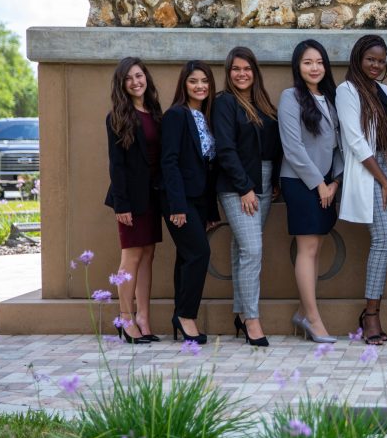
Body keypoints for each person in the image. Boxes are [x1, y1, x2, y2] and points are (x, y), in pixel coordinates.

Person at [336, 34, 387, 345]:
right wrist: (383, 180)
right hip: (371, 169)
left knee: (385, 239)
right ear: (358, 59)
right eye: (371, 59)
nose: (376, 65)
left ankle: (372, 312)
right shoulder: (347, 90)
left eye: (381, 61)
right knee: (383, 238)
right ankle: (370, 315)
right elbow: (354, 140)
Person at [213, 46, 281, 347]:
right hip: (238, 185)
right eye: (236, 69)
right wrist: (244, 187)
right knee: (252, 250)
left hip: (265, 182)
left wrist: (274, 179)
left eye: (247, 69)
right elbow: (225, 148)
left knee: (243, 250)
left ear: (255, 71)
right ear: (229, 73)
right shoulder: (225, 103)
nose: (242, 74)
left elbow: (272, 146)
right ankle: (252, 320)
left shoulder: (262, 102)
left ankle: (240, 313)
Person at [278, 39, 344, 344]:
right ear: (297, 66)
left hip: (327, 183)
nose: (314, 67)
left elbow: (339, 146)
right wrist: (319, 184)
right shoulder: (290, 98)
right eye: (307, 62)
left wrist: (335, 182)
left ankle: (304, 312)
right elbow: (293, 148)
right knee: (308, 249)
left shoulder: (331, 98)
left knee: (316, 249)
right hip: (301, 183)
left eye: (319, 61)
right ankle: (313, 319)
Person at [104, 57, 163, 345]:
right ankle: (125, 319)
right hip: (129, 198)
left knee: (148, 255)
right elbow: (116, 165)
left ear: (146, 78)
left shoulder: (154, 112)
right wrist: (121, 204)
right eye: (129, 78)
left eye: (139, 76)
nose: (135, 81)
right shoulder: (117, 117)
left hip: (152, 196)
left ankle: (144, 318)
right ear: (122, 84)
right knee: (132, 256)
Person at [161, 61, 220, 345]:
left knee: (186, 256)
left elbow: (207, 167)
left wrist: (210, 210)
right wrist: (177, 206)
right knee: (199, 254)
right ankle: (186, 315)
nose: (200, 86)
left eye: (204, 81)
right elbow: (169, 162)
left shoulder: (206, 116)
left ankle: (179, 315)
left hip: (199, 199)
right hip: (179, 200)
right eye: (193, 81)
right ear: (184, 84)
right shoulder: (176, 115)